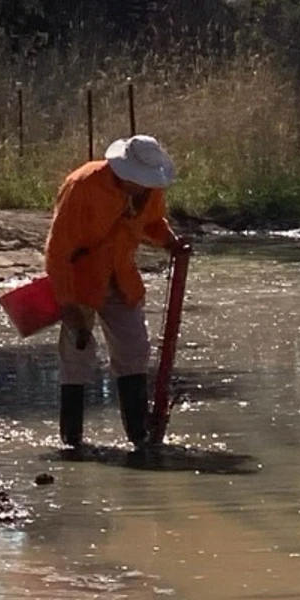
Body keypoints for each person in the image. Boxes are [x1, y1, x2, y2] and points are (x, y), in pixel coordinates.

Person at [46, 134, 186, 454]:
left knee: (134, 349)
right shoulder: (81, 185)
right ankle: (72, 439)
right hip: (80, 280)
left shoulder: (151, 190)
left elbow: (152, 223)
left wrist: (170, 242)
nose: (142, 187)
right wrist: (66, 303)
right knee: (77, 355)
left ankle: (139, 436)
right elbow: (58, 250)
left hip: (121, 277)